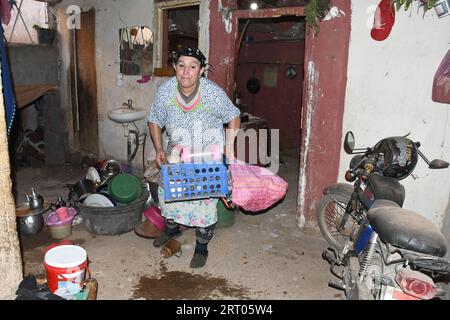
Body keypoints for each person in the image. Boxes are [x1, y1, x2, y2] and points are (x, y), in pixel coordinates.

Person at [147, 47, 241, 268]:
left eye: (192, 66)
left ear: (201, 71)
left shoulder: (213, 93)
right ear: (175, 67)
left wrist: (229, 146)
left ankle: (201, 247)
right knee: (168, 196)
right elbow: (154, 119)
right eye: (181, 65)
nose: (186, 72)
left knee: (205, 204)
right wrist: (159, 148)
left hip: (206, 159)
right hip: (176, 158)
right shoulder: (165, 92)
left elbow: (234, 116)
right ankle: (171, 231)